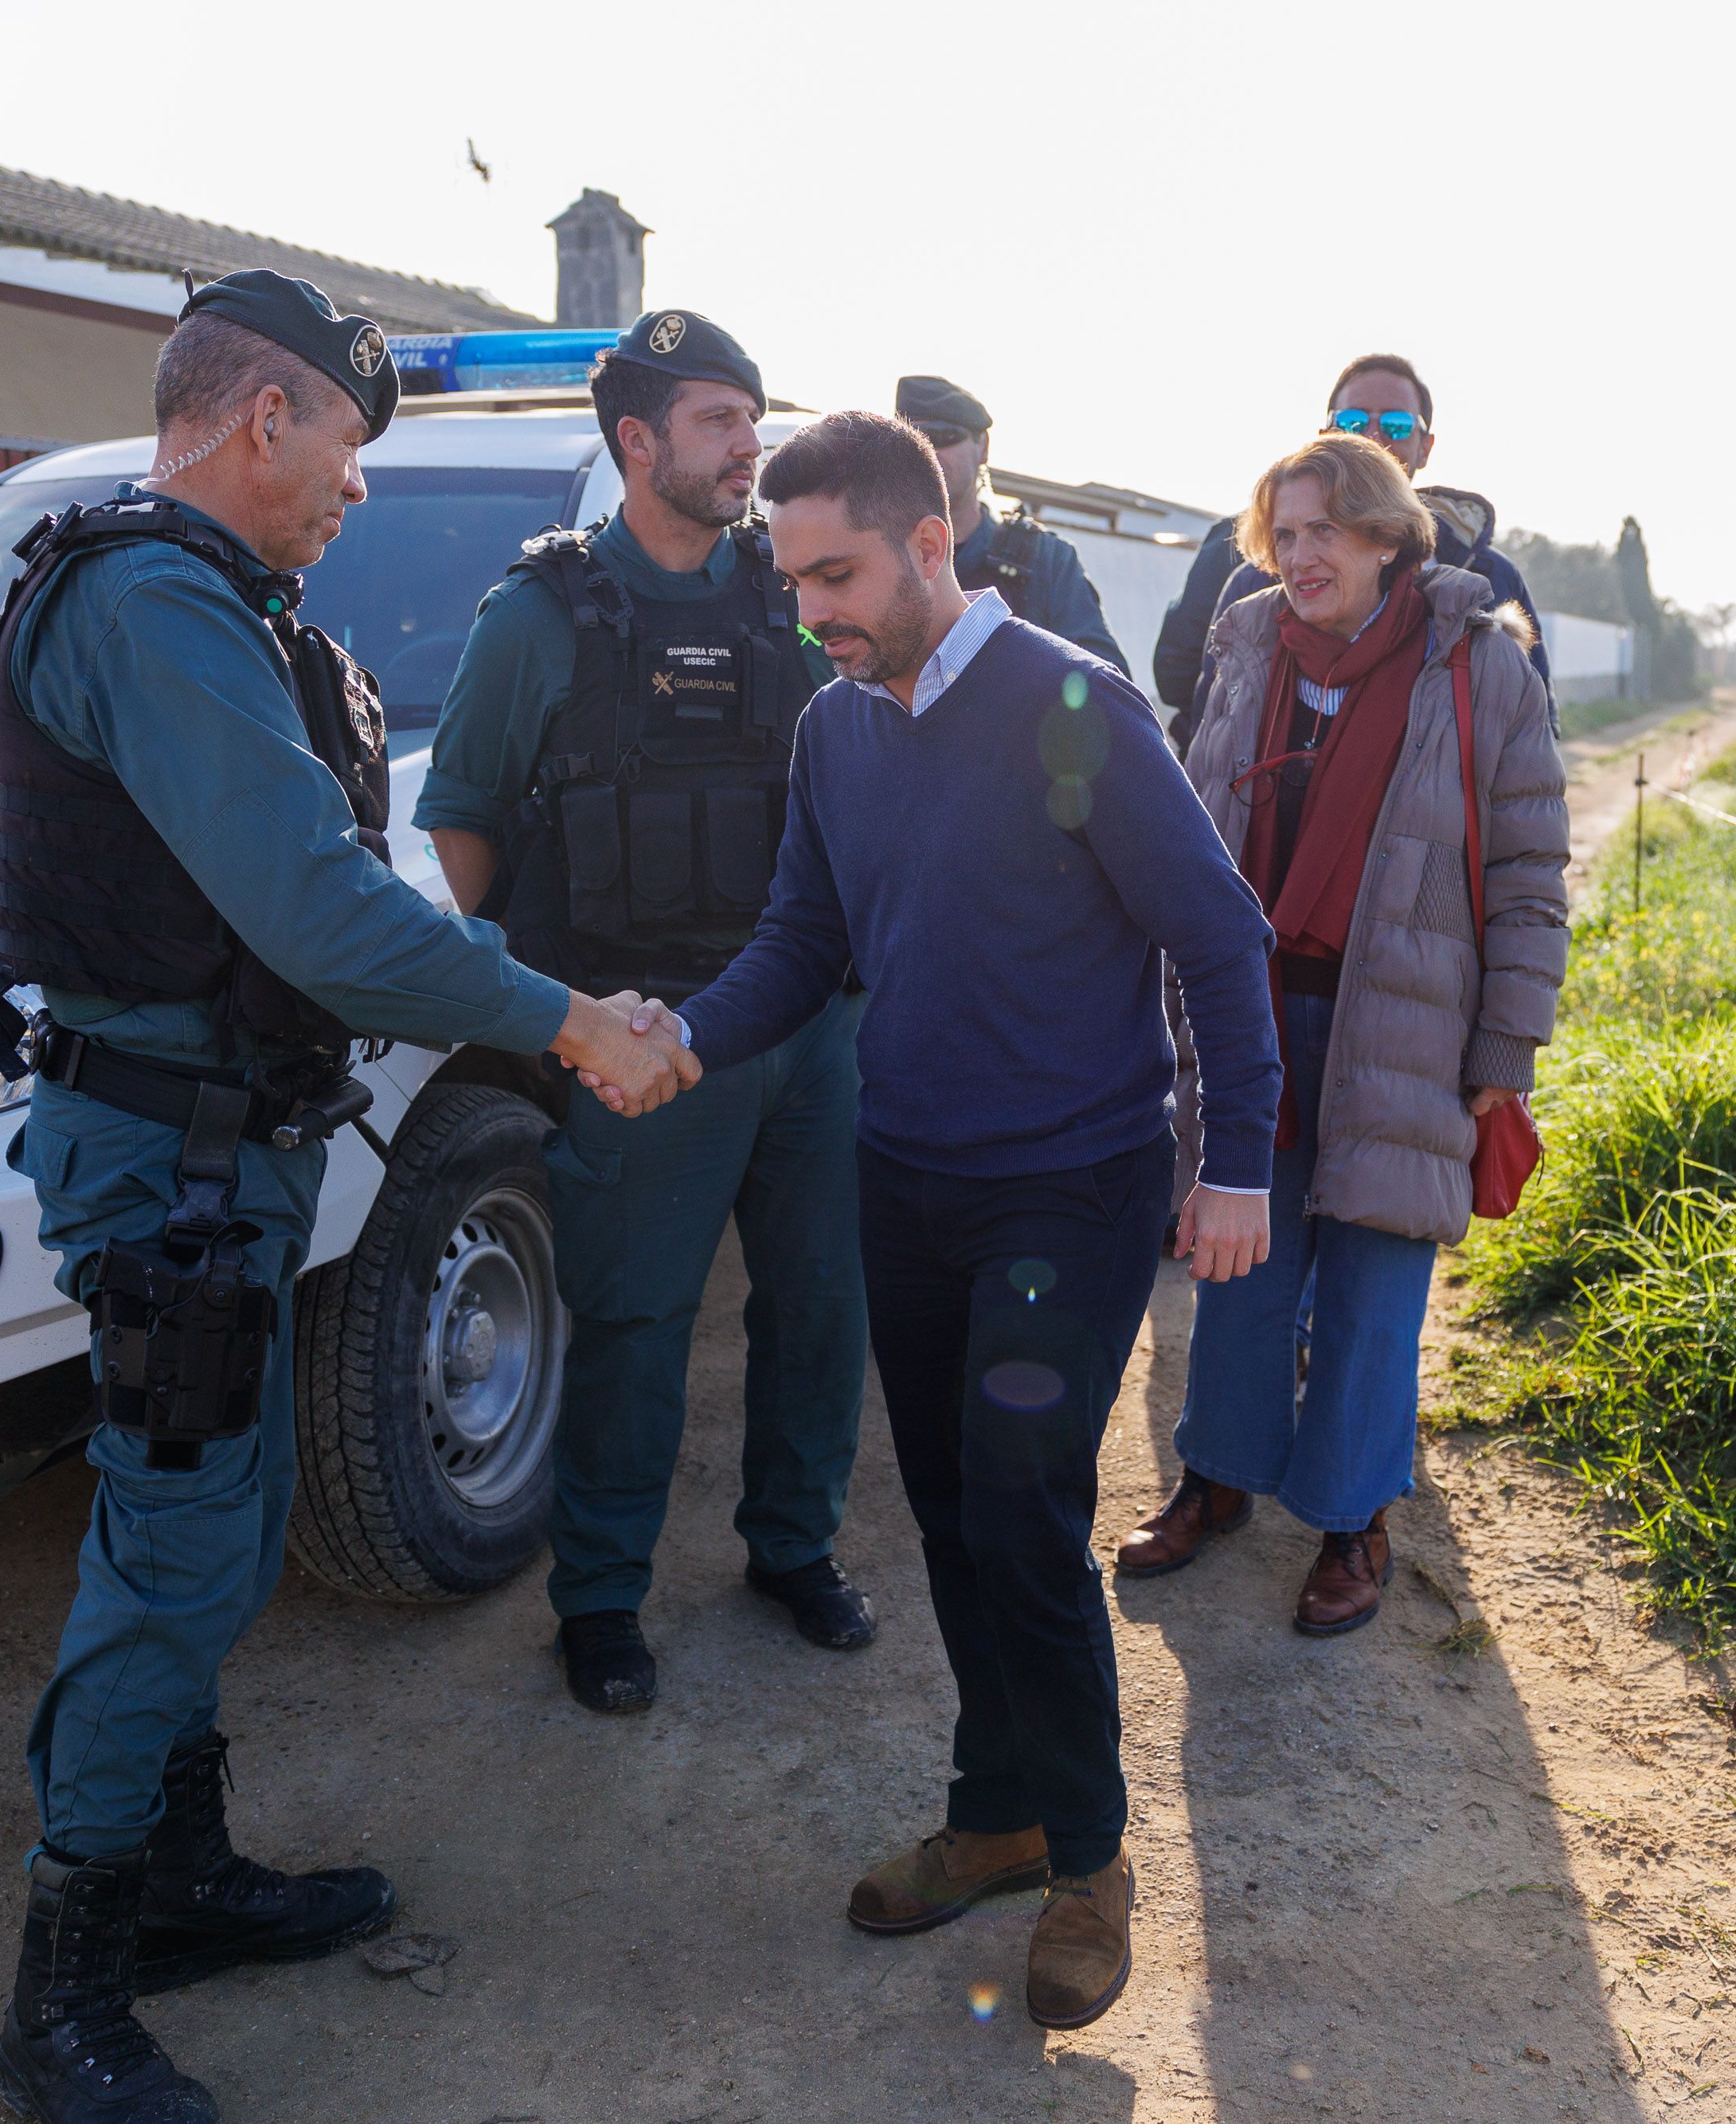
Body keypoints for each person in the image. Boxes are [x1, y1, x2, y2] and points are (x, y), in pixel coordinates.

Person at [0, 269, 691, 2124]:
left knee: (228, 1520)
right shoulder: (150, 602)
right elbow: (319, 914)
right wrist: (567, 1021)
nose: (357, 490)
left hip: (229, 1154)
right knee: (175, 1549)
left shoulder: (212, 602)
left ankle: (175, 1876)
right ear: (261, 416)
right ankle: (65, 1993)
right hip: (169, 1165)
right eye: (348, 450)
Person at [641, 411, 1278, 2029]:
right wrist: (686, 1038)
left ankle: (1088, 1860)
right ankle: (997, 1814)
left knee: (1020, 1505)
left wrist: (1237, 1165)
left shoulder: (1075, 704)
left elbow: (1218, 937)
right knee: (943, 1508)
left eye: (836, 576)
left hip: (1070, 1182)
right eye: (791, 582)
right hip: (908, 1172)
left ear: (933, 541)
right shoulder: (837, 729)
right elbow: (804, 939)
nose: (811, 615)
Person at [416, 310, 874, 1716]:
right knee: (633, 1323)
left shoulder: (787, 594)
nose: (750, 446)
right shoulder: (539, 616)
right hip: (639, 1036)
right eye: (720, 419)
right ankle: (602, 1597)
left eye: (753, 417)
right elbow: (465, 826)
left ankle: (793, 1545)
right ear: (637, 439)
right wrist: (539, 1017)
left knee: (821, 1305)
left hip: (803, 1023)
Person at [1120, 433, 1569, 1633]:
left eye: (1325, 529)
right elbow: (1192, 827)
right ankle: (1217, 1477)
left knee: (1374, 1285)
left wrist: (1507, 1046)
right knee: (1238, 1265)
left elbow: (1529, 872)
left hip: (1410, 1022)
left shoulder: (1479, 662)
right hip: (1252, 1010)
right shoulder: (1247, 644)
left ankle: (1353, 1519)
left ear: (1384, 535)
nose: (1301, 554)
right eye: (1285, 533)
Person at [1152, 353, 1550, 746]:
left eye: (1396, 424)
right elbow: (1189, 689)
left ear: (1425, 447)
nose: (1373, 437)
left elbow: (1530, 726)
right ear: (1324, 434)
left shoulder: (1487, 575)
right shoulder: (1243, 557)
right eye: (1352, 422)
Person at [896, 374, 1130, 673]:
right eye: (914, 440)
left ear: (983, 446)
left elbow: (1106, 680)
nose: (929, 452)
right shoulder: (881, 558)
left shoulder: (1045, 560)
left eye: (944, 436)